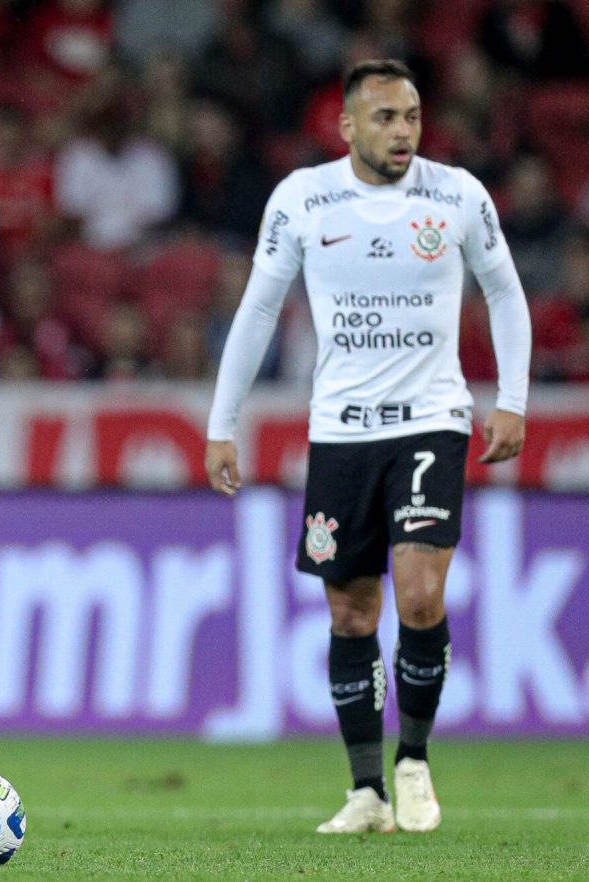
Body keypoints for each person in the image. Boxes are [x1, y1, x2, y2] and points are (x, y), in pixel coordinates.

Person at [205, 59, 531, 834]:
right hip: (341, 432)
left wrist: (511, 400)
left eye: (412, 116)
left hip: (431, 420)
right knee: (351, 614)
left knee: (419, 596)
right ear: (346, 125)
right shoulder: (304, 199)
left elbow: (507, 291)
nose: (403, 132)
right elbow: (257, 311)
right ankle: (365, 793)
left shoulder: (456, 195)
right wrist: (223, 421)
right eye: (385, 117)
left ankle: (412, 759)